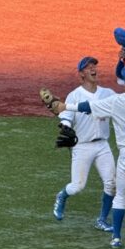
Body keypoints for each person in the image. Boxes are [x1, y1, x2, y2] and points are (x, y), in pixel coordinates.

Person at [64, 64, 125, 249]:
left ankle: (116, 237)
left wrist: (64, 106)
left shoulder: (115, 100)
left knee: (120, 197)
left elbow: (87, 106)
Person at [47, 57, 116, 230]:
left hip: (102, 145)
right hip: (82, 146)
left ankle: (102, 220)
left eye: (94, 66)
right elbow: (66, 117)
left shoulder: (108, 93)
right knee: (77, 186)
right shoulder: (74, 95)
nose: (93, 69)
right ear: (81, 74)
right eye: (88, 67)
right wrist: (66, 127)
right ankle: (62, 196)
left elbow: (121, 106)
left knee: (111, 184)